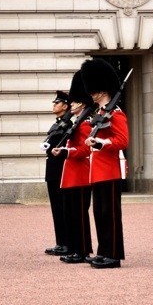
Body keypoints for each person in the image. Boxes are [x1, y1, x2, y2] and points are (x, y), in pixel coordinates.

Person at [79, 58, 129, 270]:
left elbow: (123, 141)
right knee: (99, 213)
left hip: (109, 170)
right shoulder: (99, 114)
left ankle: (114, 254)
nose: (91, 93)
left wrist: (100, 142)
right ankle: (103, 251)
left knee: (110, 214)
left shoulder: (115, 114)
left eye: (93, 89)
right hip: (97, 171)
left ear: (102, 89)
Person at [55, 72, 94, 264]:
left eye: (75, 102)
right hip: (70, 175)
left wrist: (66, 152)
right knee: (71, 214)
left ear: (82, 104)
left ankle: (83, 250)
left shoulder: (85, 125)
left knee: (79, 215)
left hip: (80, 175)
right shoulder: (76, 124)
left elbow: (85, 150)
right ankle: (75, 248)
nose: (71, 105)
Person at [43, 90, 72, 256]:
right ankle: (60, 242)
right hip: (52, 171)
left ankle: (67, 242)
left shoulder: (68, 126)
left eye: (57, 103)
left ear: (65, 106)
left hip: (61, 171)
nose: (54, 105)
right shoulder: (57, 124)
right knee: (56, 208)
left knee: (63, 208)